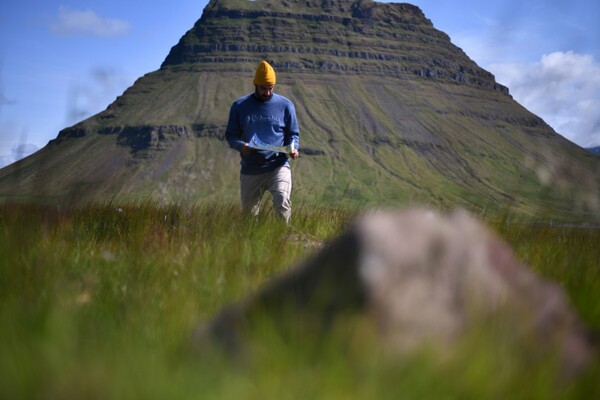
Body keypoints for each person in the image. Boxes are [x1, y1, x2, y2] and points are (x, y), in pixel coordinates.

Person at [225, 60, 300, 223]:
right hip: (251, 168)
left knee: (282, 201)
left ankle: (284, 238)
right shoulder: (239, 106)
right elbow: (231, 135)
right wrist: (241, 146)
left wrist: (294, 148)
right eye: (263, 88)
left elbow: (293, 134)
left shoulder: (286, 105)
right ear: (255, 85)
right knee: (249, 216)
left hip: (278, 165)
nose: (267, 92)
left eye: (270, 88)